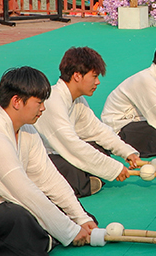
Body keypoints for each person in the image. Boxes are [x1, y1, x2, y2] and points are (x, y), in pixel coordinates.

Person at [0, 66, 107, 256]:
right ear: (16, 101)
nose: (43, 108)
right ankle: (46, 238)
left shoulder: (28, 130)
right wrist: (70, 231)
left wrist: (81, 218)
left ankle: (50, 234)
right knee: (19, 217)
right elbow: (24, 193)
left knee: (59, 210)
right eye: (39, 102)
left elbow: (49, 178)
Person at [37, 46, 143, 196]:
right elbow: (72, 146)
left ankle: (84, 181)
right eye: (94, 76)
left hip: (62, 151)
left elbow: (98, 130)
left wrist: (127, 152)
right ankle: (82, 182)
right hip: (45, 158)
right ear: (77, 76)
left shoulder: (77, 99)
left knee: (100, 148)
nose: (98, 82)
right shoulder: (53, 101)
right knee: (65, 166)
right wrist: (114, 168)